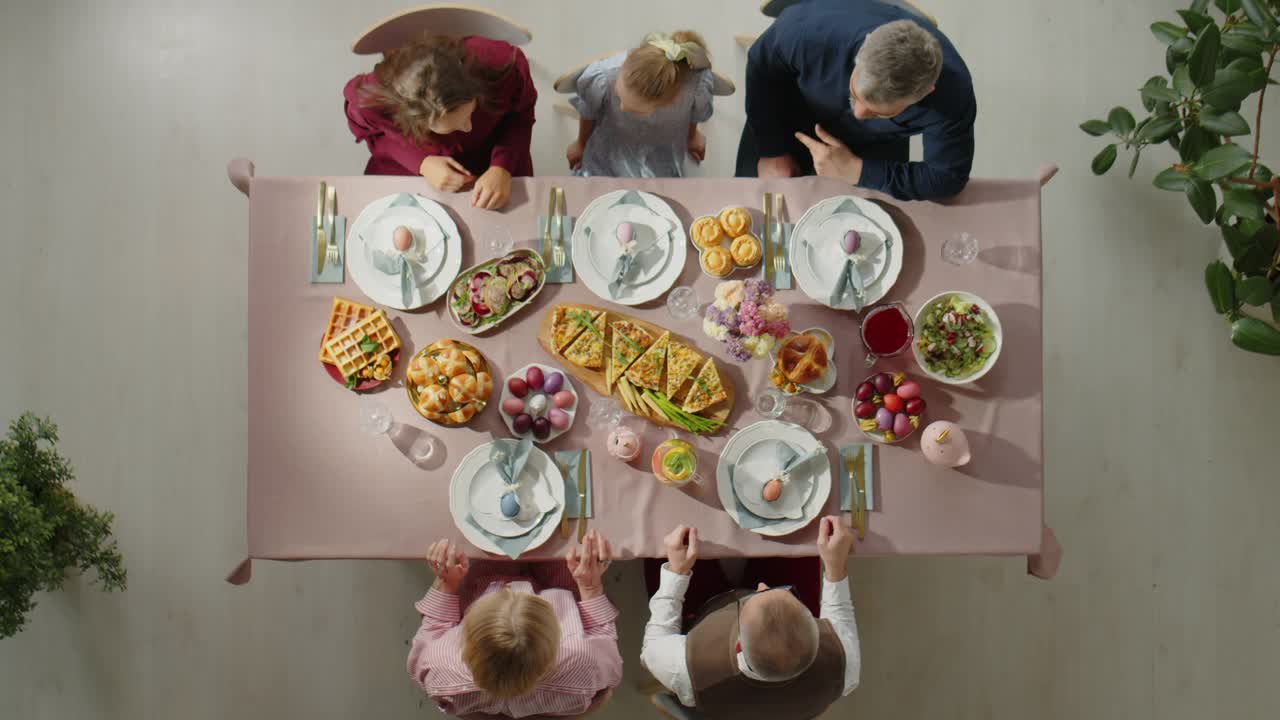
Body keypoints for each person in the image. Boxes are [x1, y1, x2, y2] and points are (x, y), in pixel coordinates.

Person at [738, 0, 976, 200]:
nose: (860, 113)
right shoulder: (807, 29)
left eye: (879, 112)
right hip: (784, 115)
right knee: (749, 200)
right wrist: (772, 150)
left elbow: (947, 178)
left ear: (925, 92)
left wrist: (859, 171)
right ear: (867, 41)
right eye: (855, 94)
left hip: (875, 144)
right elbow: (761, 66)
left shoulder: (952, 97)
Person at [641, 519, 860, 719]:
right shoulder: (844, 662)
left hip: (705, 609)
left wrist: (676, 572)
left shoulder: (686, 669)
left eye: (748, 600)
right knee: (798, 530)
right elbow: (839, 610)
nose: (762, 586)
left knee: (665, 537)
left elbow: (653, 645)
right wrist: (835, 566)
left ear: (737, 645)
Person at [407, 531, 622, 718]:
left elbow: (433, 628)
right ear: (556, 639)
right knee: (560, 545)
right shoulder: (584, 665)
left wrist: (448, 583)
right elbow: (603, 641)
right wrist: (590, 587)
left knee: (490, 544)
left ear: (465, 638)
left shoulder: (439, 668)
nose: (521, 587)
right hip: (558, 587)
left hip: (488, 579)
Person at [344, 34, 537, 210]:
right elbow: (373, 136)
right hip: (412, 163)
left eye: (470, 113)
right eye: (455, 125)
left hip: (491, 154)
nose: (469, 127)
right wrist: (421, 163)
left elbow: (521, 115)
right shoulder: (369, 100)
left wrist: (502, 167)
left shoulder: (502, 64)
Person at [566, 31, 716, 177]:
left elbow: (693, 114)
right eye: (618, 96)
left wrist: (692, 136)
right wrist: (581, 143)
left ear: (671, 101)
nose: (622, 107)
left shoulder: (696, 88)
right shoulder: (604, 77)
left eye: (636, 111)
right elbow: (589, 110)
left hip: (662, 158)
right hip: (607, 157)